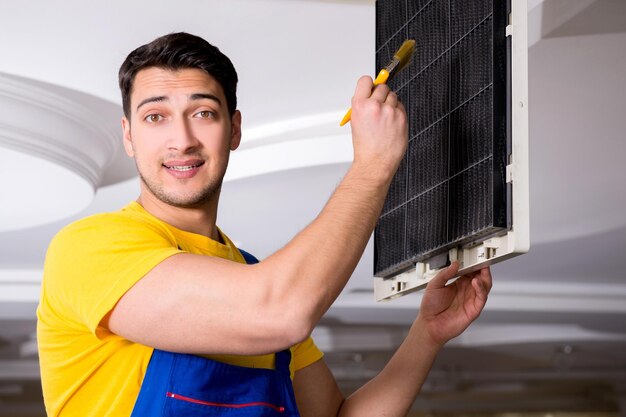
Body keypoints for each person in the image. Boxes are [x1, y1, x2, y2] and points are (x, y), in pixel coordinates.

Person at [37, 32, 492, 417]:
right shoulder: (88, 248)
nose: (182, 140)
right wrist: (372, 166)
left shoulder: (250, 275)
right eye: (155, 117)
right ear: (129, 136)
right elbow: (281, 312)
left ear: (233, 130)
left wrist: (426, 336)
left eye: (203, 113)